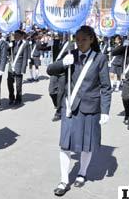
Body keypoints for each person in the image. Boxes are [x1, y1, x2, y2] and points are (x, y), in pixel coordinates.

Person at [47, 25, 111, 196]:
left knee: (86, 145)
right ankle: (63, 180)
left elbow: (105, 87)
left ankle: (82, 173)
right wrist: (62, 62)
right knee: (65, 144)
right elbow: (50, 69)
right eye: (77, 39)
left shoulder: (100, 58)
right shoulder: (70, 55)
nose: (80, 42)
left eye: (84, 39)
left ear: (91, 39)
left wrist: (105, 110)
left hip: (90, 107)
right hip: (69, 107)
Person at [49, 34, 72, 122]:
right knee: (51, 91)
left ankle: (58, 112)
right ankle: (58, 105)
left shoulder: (71, 44)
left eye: (64, 33)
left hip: (63, 71)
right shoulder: (54, 42)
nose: (62, 35)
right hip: (55, 69)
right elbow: (43, 48)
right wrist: (48, 44)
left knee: (61, 93)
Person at [7, 30, 28, 107]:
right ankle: (11, 98)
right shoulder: (11, 43)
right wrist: (8, 47)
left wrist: (23, 69)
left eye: (17, 35)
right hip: (11, 66)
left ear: (21, 36)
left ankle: (18, 99)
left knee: (18, 85)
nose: (15, 36)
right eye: (14, 35)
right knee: (9, 83)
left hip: (19, 66)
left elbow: (25, 57)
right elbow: (8, 52)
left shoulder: (24, 44)